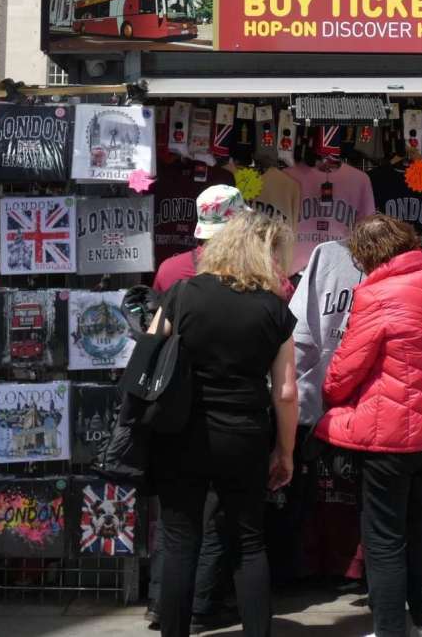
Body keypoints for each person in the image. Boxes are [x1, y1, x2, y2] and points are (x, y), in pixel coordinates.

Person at [150, 210, 299, 637]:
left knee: (180, 542)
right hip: (244, 435)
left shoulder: (181, 294)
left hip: (182, 431)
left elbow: (148, 356)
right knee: (248, 544)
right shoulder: (274, 308)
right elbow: (285, 392)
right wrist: (285, 452)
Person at [315, 214, 422, 637]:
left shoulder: (376, 294)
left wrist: (329, 397)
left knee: (382, 538)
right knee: (418, 526)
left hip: (390, 437)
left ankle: (389, 629)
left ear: (366, 254)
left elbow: (344, 371)